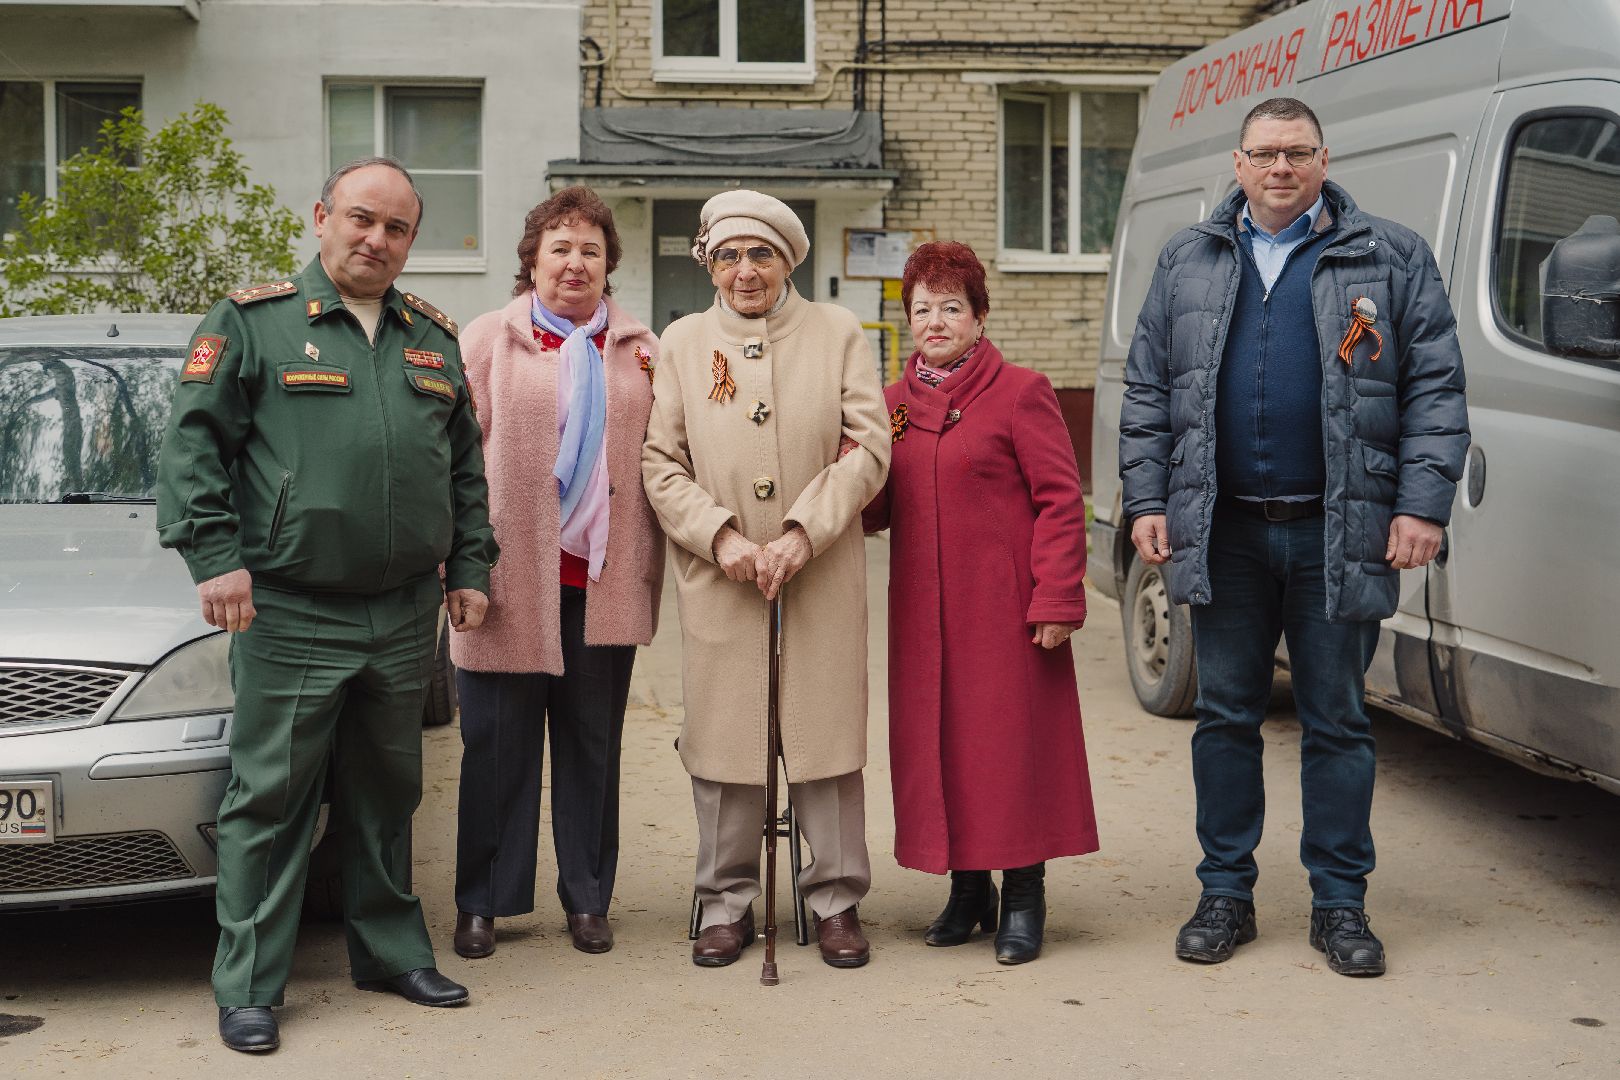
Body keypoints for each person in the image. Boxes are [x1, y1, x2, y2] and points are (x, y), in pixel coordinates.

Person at [1119, 97, 1469, 977]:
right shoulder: (1189, 258)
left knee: (1338, 722)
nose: (1281, 168)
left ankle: (1340, 907)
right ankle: (1225, 894)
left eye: (1298, 153)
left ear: (1323, 159)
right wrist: (1147, 497)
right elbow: (1150, 389)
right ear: (1237, 163)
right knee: (1227, 716)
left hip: (1337, 529)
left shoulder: (1387, 256)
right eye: (1265, 154)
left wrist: (1421, 506)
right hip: (1225, 528)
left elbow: (1434, 386)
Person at [156, 157, 498, 1053]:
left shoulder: (431, 336)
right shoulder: (254, 323)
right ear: (320, 218)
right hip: (288, 607)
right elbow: (192, 445)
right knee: (271, 798)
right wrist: (216, 557)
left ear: (410, 241)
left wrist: (470, 566)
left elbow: (463, 467)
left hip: (399, 614)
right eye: (360, 219)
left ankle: (389, 952)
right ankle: (250, 985)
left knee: (387, 792)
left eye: (395, 229)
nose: (375, 239)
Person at [642, 190, 890, 969]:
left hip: (816, 568)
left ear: (787, 260)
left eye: (760, 254)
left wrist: (799, 533)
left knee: (823, 735)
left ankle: (837, 898)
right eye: (727, 256)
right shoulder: (683, 342)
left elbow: (868, 447)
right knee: (727, 740)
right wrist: (720, 538)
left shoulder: (839, 332)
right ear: (709, 266)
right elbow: (659, 462)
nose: (744, 271)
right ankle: (726, 901)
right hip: (721, 576)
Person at [862, 241, 1098, 965]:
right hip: (924, 617)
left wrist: (1056, 595)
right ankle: (969, 890)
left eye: (951, 307)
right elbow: (873, 512)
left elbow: (1061, 499)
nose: (936, 321)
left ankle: (1024, 889)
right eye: (922, 308)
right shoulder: (891, 406)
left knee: (1008, 750)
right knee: (943, 748)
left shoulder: (1022, 391)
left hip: (1005, 611)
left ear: (979, 316)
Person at [448, 187, 662, 961]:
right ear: (532, 259)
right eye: (560, 247)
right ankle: (485, 901)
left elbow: (667, 461)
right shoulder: (487, 342)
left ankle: (588, 897)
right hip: (505, 585)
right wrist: (457, 565)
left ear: (610, 266)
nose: (576, 263)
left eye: (591, 250)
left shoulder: (641, 350)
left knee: (590, 745)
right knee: (496, 746)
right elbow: (454, 459)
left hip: (602, 582)